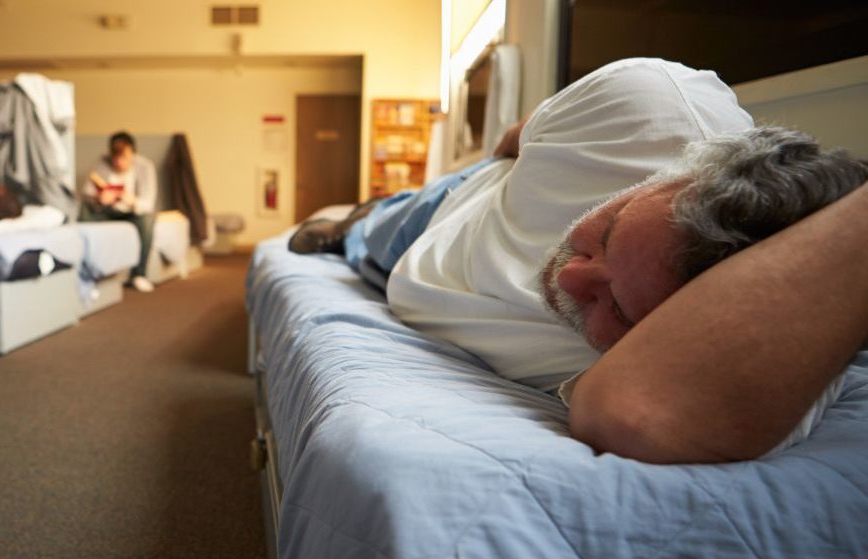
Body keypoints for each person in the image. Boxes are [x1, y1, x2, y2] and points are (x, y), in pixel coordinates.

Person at [289, 58, 868, 464]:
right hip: (459, 205)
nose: (569, 275)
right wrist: (518, 160)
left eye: (613, 306)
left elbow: (636, 416)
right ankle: (357, 219)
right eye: (607, 232)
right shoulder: (651, 102)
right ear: (680, 171)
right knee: (369, 228)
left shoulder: (743, 346)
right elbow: (523, 134)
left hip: (417, 271)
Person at [81, 131, 158, 292]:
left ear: (132, 154)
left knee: (147, 220)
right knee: (83, 211)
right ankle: (85, 269)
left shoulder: (145, 167)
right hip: (108, 211)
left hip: (132, 213)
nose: (119, 162)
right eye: (115, 157)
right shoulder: (102, 163)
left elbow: (148, 203)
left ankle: (139, 274)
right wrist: (99, 198)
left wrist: (133, 200)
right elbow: (86, 192)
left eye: (124, 157)